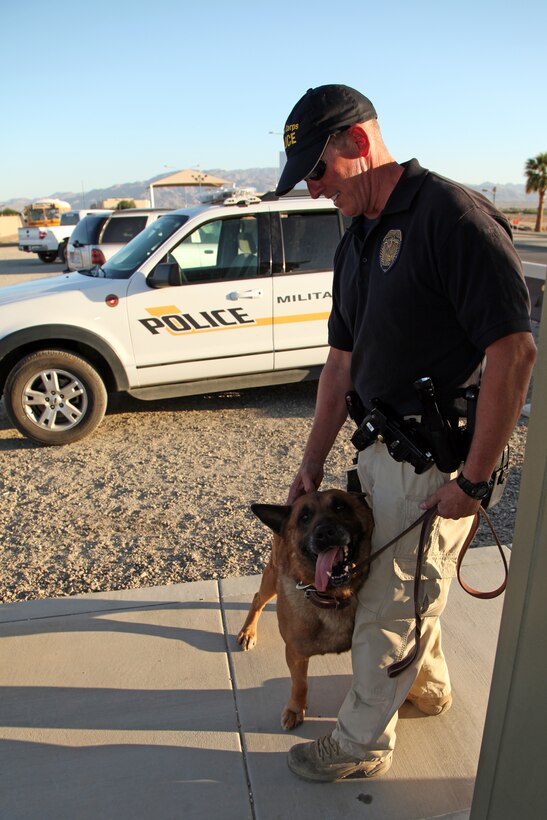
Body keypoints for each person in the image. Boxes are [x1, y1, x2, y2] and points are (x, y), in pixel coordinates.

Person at [274, 84, 537, 782]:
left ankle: (360, 745)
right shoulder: (356, 236)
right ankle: (426, 687)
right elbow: (340, 361)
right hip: (378, 456)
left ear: (356, 143)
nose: (312, 188)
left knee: (387, 606)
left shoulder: (451, 217)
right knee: (405, 593)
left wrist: (473, 479)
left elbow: (513, 351)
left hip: (434, 464)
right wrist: (311, 461)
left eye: (318, 171)